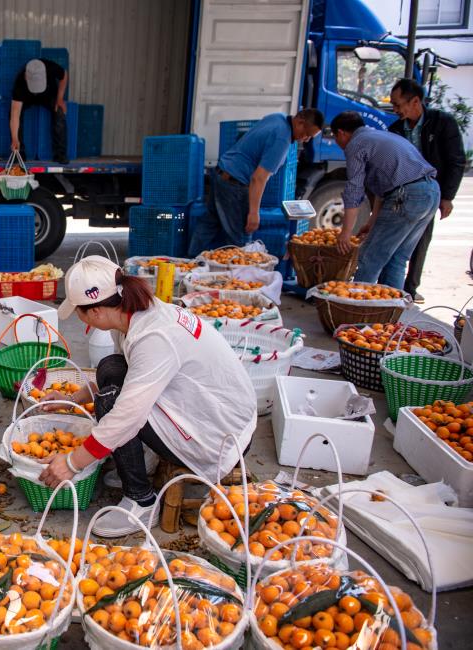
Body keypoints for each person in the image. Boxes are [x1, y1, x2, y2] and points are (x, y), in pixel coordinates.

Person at [38, 256, 257, 537]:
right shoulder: (136, 314)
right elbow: (128, 371)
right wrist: (75, 397)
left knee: (111, 403)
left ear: (94, 313)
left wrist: (71, 463)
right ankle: (141, 456)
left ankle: (141, 501)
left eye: (79, 312)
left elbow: (126, 416)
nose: (80, 319)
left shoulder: (155, 337)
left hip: (218, 437)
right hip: (216, 410)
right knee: (111, 368)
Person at [188, 109, 324, 256]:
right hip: (235, 184)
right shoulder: (282, 140)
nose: (306, 140)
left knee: (210, 222)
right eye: (307, 135)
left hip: (221, 172)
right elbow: (258, 178)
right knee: (239, 241)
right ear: (300, 123)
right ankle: (238, 275)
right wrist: (254, 213)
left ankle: (189, 262)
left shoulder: (278, 118)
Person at [332, 111, 441, 291]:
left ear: (341, 133)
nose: (338, 143)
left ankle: (356, 307)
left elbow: (354, 191)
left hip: (407, 195)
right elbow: (382, 192)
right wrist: (372, 222)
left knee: (369, 257)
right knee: (396, 259)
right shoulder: (382, 136)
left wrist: (346, 232)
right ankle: (390, 313)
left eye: (336, 137)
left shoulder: (356, 144)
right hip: (431, 192)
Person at [389, 78, 466, 302]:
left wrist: (447, 197)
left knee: (420, 239)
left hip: (429, 193)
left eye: (397, 104)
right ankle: (390, 288)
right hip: (400, 193)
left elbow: (456, 161)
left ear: (415, 101)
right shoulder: (395, 129)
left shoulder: (442, 122)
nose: (394, 110)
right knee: (394, 243)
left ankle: (410, 288)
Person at [11, 58, 69, 163]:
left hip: (48, 96)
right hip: (27, 98)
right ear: (26, 77)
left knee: (59, 111)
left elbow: (64, 75)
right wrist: (15, 139)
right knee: (12, 113)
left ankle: (60, 154)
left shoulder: (50, 68)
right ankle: (19, 154)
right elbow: (15, 115)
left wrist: (60, 98)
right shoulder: (19, 81)